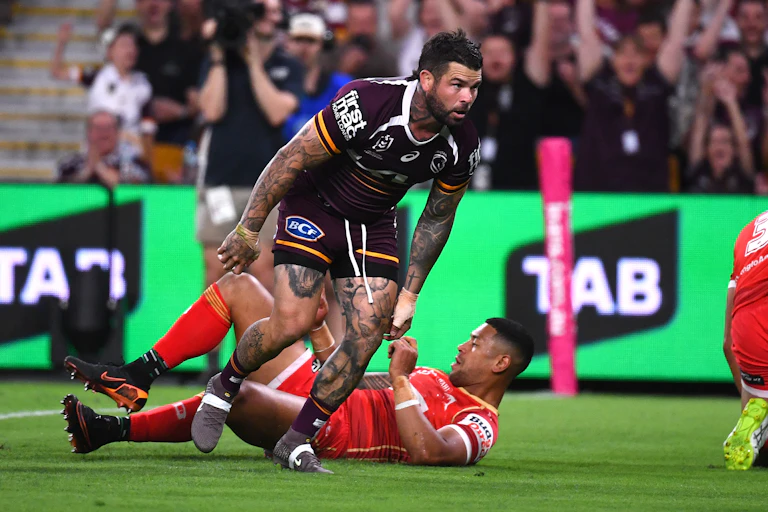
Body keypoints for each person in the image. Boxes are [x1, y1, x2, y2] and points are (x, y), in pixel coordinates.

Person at [195, 29, 483, 473]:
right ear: (427, 80)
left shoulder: (461, 145)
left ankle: (296, 439)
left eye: (474, 88)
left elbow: (437, 218)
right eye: (457, 85)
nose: (467, 98)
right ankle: (225, 383)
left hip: (372, 224)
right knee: (290, 324)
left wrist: (410, 295)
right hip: (315, 206)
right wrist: (248, 229)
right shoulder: (368, 102)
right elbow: (290, 158)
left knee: (367, 336)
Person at [62, 273, 534, 466]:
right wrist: (319, 334)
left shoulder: (479, 423)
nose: (461, 345)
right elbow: (343, 378)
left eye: (475, 343)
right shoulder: (435, 379)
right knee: (242, 288)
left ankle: (109, 430)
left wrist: (401, 378)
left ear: (500, 363)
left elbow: (427, 450)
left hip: (326, 428)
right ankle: (140, 373)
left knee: (239, 398)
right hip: (317, 390)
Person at [573, 0, 693, 192]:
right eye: (622, 53)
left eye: (636, 54)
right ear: (613, 59)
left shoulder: (656, 85)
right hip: (597, 193)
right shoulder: (599, 82)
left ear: (646, 59)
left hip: (649, 196)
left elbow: (676, 40)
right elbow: (586, 34)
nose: (629, 60)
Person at [466, 0, 550, 191]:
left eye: (503, 52)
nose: (496, 58)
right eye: (489, 53)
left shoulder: (528, 85)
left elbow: (541, 42)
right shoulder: (467, 88)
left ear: (515, 58)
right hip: (470, 193)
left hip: (520, 191)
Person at [51, 22, 156, 159]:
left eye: (133, 46)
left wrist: (148, 164)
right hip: (96, 151)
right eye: (124, 45)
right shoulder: (96, 76)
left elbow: (148, 128)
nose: (131, 50)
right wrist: (61, 43)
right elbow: (57, 72)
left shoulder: (143, 85)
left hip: (129, 154)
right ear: (110, 51)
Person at [722, 210, 768, 470]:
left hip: (746, 333)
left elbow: (727, 343)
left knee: (757, 406)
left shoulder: (748, 231)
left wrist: (753, 398)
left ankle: (757, 428)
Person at [282, 13, 353, 141]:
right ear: (287, 43)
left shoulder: (342, 87)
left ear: (323, 45)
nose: (304, 47)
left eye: (311, 40)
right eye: (298, 39)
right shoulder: (272, 84)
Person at [686, 66, 755, 194]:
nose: (719, 146)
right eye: (714, 141)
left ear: (734, 150)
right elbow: (700, 126)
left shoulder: (741, 173)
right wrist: (707, 90)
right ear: (706, 150)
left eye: (724, 141)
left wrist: (731, 102)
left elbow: (743, 142)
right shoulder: (699, 171)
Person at [57, 111, 151, 187]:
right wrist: (87, 171)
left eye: (108, 128)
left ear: (117, 133)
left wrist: (99, 168)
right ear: (88, 133)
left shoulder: (133, 162)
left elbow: (136, 185)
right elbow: (62, 189)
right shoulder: (70, 163)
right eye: (98, 128)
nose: (103, 133)